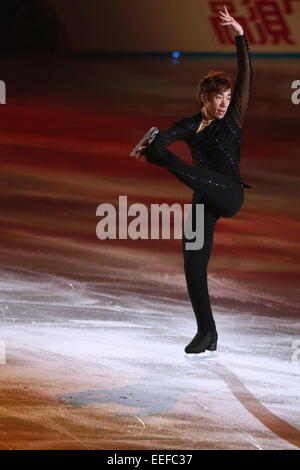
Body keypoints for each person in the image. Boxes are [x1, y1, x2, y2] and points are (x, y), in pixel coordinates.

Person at [134, 6, 253, 354]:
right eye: (219, 97)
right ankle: (207, 333)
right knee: (192, 263)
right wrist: (153, 145)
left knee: (172, 162)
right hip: (205, 195)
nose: (224, 103)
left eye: (227, 97)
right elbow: (169, 134)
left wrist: (240, 35)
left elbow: (246, 74)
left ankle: (161, 161)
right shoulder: (191, 124)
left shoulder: (233, 118)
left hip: (229, 194)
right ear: (205, 97)